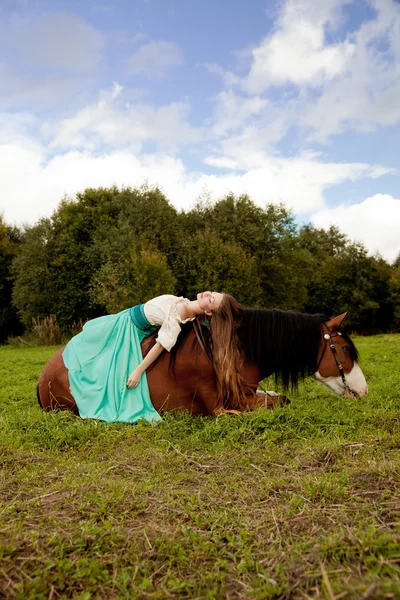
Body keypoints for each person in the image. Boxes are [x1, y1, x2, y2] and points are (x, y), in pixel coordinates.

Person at [62, 291, 226, 424]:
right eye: (211, 292)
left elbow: (160, 345)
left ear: (208, 311)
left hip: (130, 328)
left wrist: (138, 371)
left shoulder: (178, 317)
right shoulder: (184, 304)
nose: (206, 294)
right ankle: (81, 382)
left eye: (211, 299)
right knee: (95, 346)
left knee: (108, 361)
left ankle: (82, 389)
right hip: (124, 317)